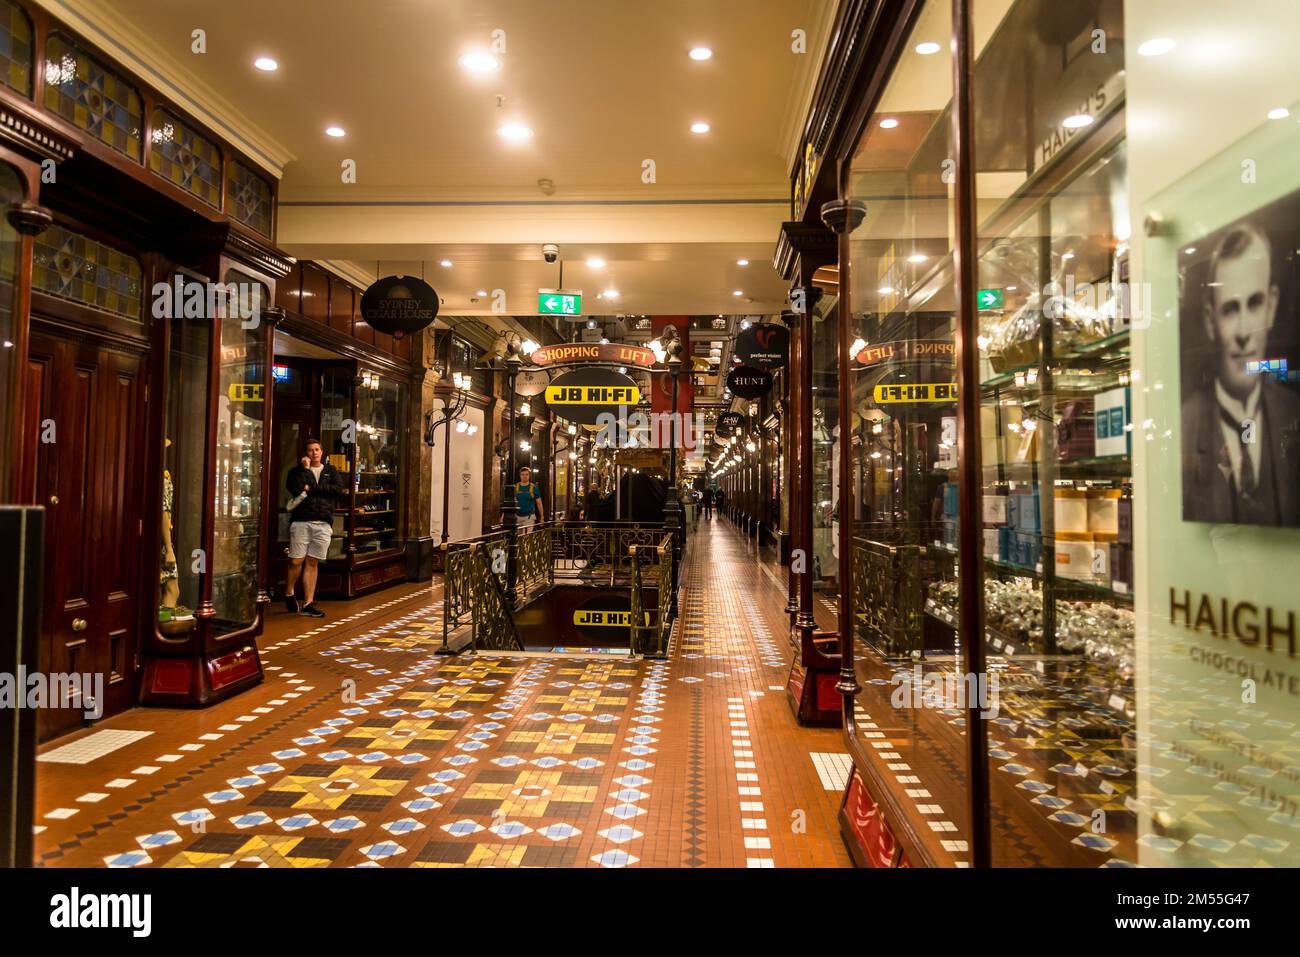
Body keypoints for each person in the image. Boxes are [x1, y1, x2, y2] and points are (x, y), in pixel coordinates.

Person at [1182, 221, 1300, 526]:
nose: (1245, 333)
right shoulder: (1183, 427)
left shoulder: (1294, 414)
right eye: (1231, 309)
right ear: (1211, 321)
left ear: (1271, 307)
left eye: (1255, 303)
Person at [284, 438, 345, 617]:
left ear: (322, 451)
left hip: (323, 522)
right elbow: (294, 488)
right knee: (296, 560)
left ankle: (308, 603)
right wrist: (304, 470)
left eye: (317, 449)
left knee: (312, 562)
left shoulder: (331, 471)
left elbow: (336, 490)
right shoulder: (296, 471)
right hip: (301, 521)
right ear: (306, 453)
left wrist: (312, 487)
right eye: (310, 450)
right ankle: (289, 593)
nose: (314, 453)